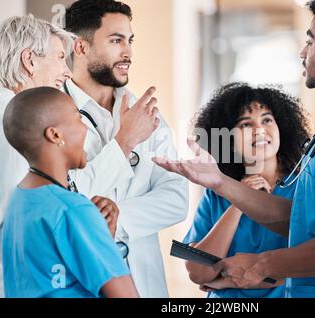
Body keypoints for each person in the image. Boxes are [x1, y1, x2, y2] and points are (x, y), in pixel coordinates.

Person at [154, 0, 315, 298]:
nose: (303, 52)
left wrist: (261, 265)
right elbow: (302, 220)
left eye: (309, 41)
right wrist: (220, 182)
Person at [64, 0, 188, 297]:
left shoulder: (145, 111)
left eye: (130, 41)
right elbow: (68, 202)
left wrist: (120, 217)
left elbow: (176, 198)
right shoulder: (55, 115)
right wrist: (123, 143)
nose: (128, 52)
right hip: (83, 283)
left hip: (145, 286)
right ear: (81, 47)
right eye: (116, 40)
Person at [1, 87, 139, 298]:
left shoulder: (18, 200)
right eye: (78, 118)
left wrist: (101, 238)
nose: (85, 128)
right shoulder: (72, 210)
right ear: (55, 134)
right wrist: (93, 230)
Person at [183, 83, 309, 298]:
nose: (260, 130)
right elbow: (198, 272)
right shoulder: (216, 193)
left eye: (267, 120)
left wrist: (228, 280)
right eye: (246, 124)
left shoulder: (305, 185)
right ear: (229, 140)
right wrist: (238, 201)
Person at [0, 15, 74, 297]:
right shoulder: (8, 126)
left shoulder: (11, 120)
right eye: (60, 57)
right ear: (30, 60)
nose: (67, 71)